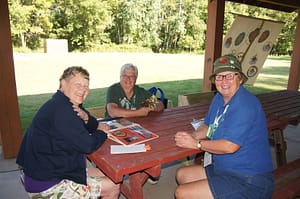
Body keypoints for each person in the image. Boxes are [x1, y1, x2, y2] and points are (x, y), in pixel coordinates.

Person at [174, 54, 274, 199]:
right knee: (182, 174)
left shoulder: (246, 104)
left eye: (229, 76)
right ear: (215, 80)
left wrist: (197, 144)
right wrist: (192, 136)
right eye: (219, 77)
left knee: (182, 193)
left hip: (250, 180)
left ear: (239, 78)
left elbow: (230, 146)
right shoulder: (219, 98)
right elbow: (208, 125)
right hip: (224, 168)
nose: (224, 81)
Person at [16, 66, 120, 199]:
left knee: (109, 175)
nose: (83, 89)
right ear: (63, 83)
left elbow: (93, 125)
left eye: (86, 86)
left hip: (51, 169)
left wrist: (86, 117)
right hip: (46, 184)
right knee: (113, 185)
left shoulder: (65, 103)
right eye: (78, 84)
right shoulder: (63, 111)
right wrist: (102, 133)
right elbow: (87, 145)